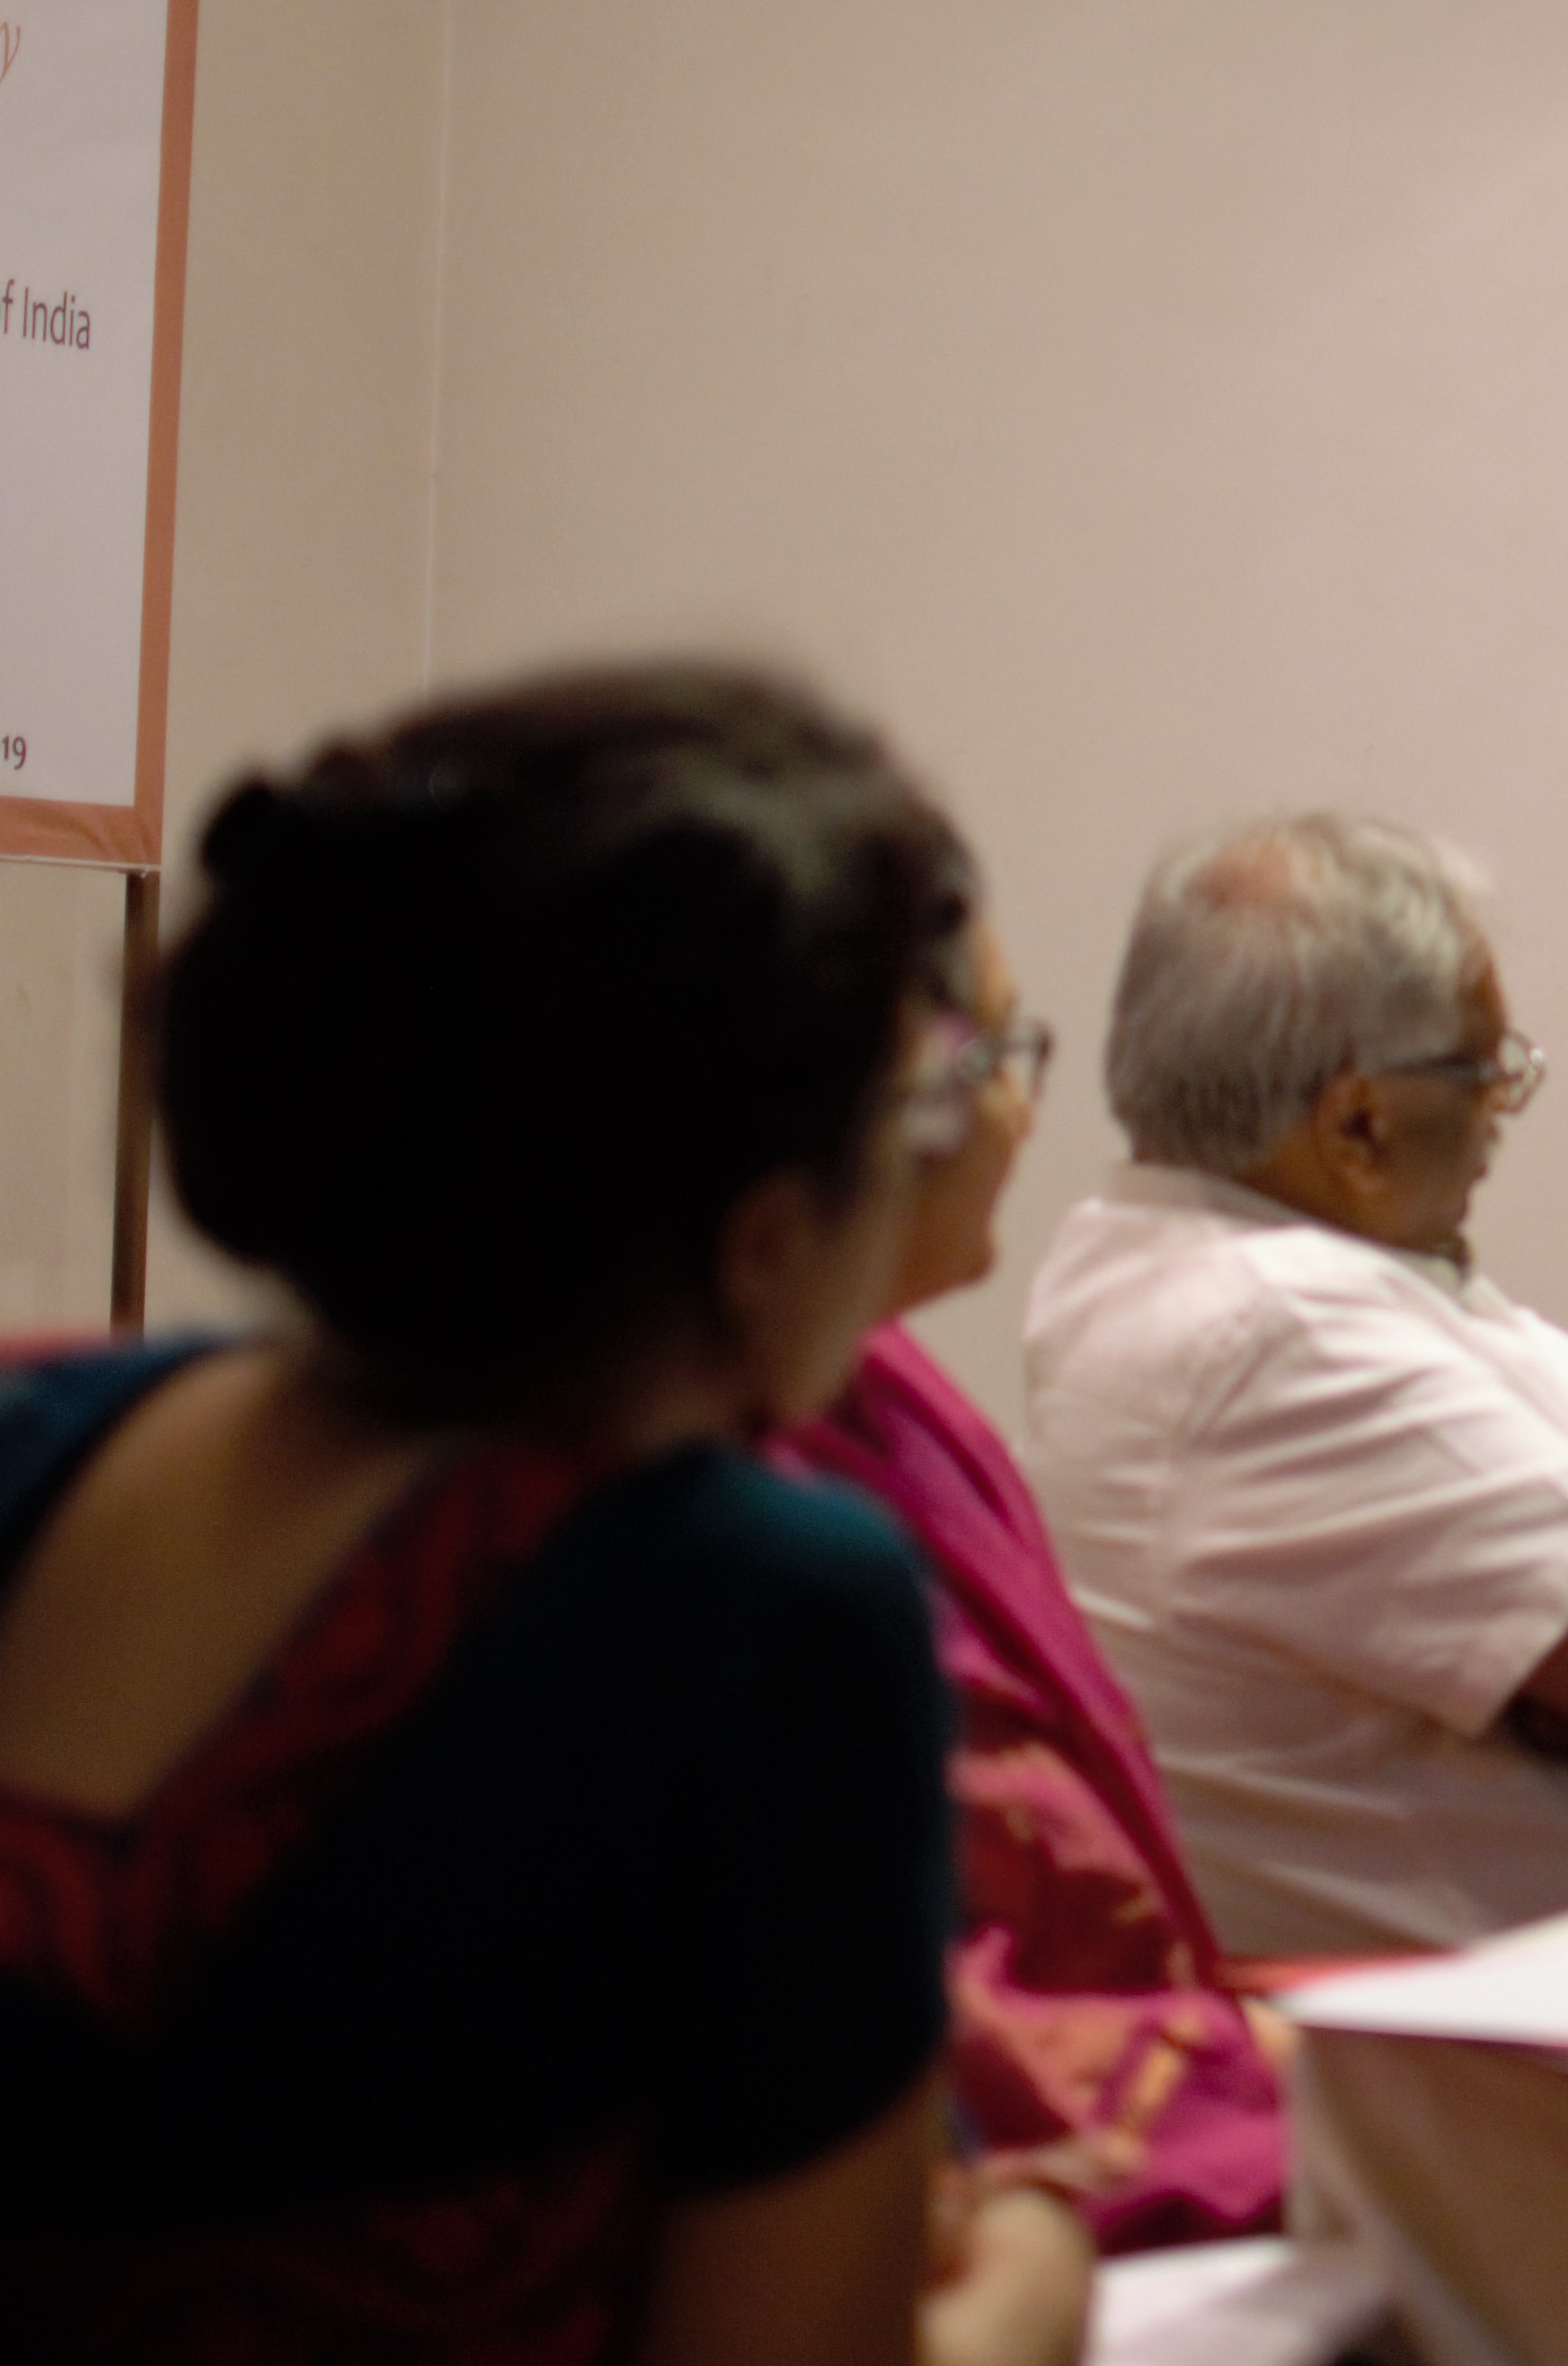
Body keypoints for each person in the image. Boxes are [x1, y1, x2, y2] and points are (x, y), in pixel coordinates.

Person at [0, 664, 1088, 2366]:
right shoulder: (747, 1609)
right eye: (921, 1101)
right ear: (762, 1237)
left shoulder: (44, 1429)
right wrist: (1036, 2257)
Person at [1021, 814, 1568, 1954]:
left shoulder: (1329, 1276)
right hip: (1552, 2062)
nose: (1499, 1122)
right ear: (1358, 1123)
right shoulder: (1288, 1328)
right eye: (1484, 1073)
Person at [775, 914, 1288, 2250]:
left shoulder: (879, 1374)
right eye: (1001, 1049)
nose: (1018, 1106)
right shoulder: (738, 1509)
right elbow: (931, 2023)